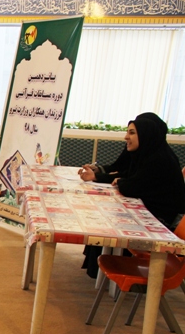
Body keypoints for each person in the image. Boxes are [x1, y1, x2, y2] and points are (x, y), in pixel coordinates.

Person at [78, 112, 185, 277]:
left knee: (111, 220)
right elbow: (127, 175)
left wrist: (120, 181)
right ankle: (100, 270)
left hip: (162, 223)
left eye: (132, 133)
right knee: (106, 217)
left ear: (146, 135)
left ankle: (108, 270)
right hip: (153, 213)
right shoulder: (148, 154)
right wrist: (99, 176)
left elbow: (130, 186)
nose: (126, 137)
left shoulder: (159, 160)